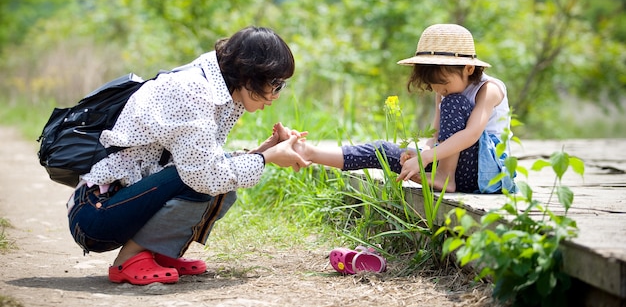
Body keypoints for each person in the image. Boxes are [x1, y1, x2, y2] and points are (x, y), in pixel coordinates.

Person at [66, 26, 308, 285]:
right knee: (205, 180)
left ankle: (158, 252)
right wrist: (267, 158)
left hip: (121, 202)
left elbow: (209, 164)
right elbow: (203, 176)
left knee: (220, 178)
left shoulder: (220, 91)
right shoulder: (193, 90)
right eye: (275, 83)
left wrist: (265, 150)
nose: (276, 95)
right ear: (250, 75)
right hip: (96, 215)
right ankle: (129, 260)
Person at [294, 23, 516, 194]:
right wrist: (417, 153)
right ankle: (309, 153)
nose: (440, 90)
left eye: (444, 84)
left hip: (482, 173)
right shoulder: (444, 92)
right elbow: (437, 136)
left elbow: (471, 134)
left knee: (454, 102)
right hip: (450, 162)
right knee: (381, 151)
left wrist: (429, 156)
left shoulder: (489, 90)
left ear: (468, 68)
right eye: (434, 86)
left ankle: (444, 177)